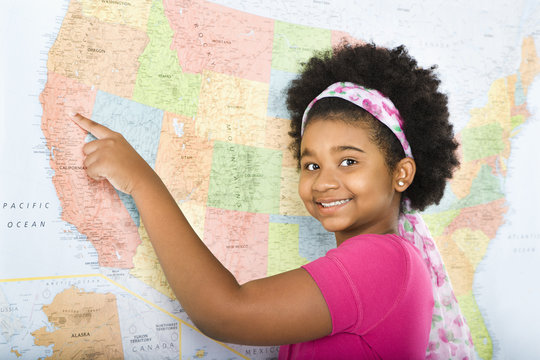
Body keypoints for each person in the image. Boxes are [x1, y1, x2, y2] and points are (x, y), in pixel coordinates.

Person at [72, 42, 474, 359]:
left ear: (401, 173)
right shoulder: (396, 260)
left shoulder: (383, 259)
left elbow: (225, 312)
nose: (323, 182)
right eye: (311, 165)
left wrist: (142, 182)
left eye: (348, 161)